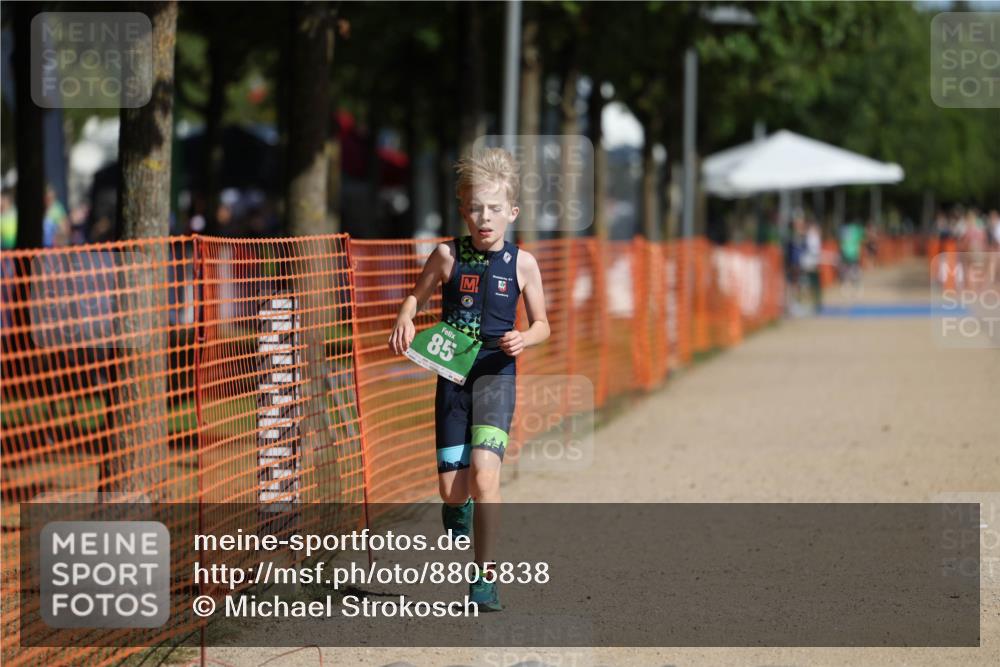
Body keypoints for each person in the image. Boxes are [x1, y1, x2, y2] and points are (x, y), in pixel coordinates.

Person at [388, 147, 550, 611]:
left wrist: (526, 338)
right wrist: (405, 318)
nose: (485, 217)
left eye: (495, 209)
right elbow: (415, 298)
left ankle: (484, 578)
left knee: (485, 477)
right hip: (453, 379)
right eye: (476, 208)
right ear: (463, 210)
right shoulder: (445, 255)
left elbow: (543, 324)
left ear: (511, 213)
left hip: (497, 376)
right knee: (452, 490)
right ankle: (456, 508)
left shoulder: (523, 264)